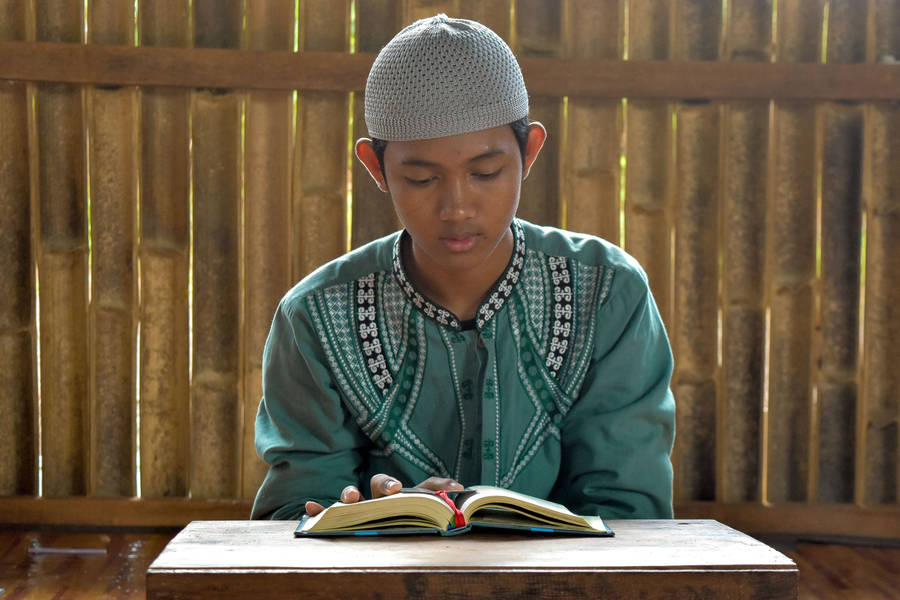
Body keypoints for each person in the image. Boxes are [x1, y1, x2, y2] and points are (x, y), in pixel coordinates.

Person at [251, 14, 675, 520]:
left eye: (486, 172)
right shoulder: (316, 318)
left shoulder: (605, 292)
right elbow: (290, 521)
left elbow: (632, 513)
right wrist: (380, 517)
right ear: (376, 168)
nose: (457, 207)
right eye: (422, 179)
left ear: (529, 152)